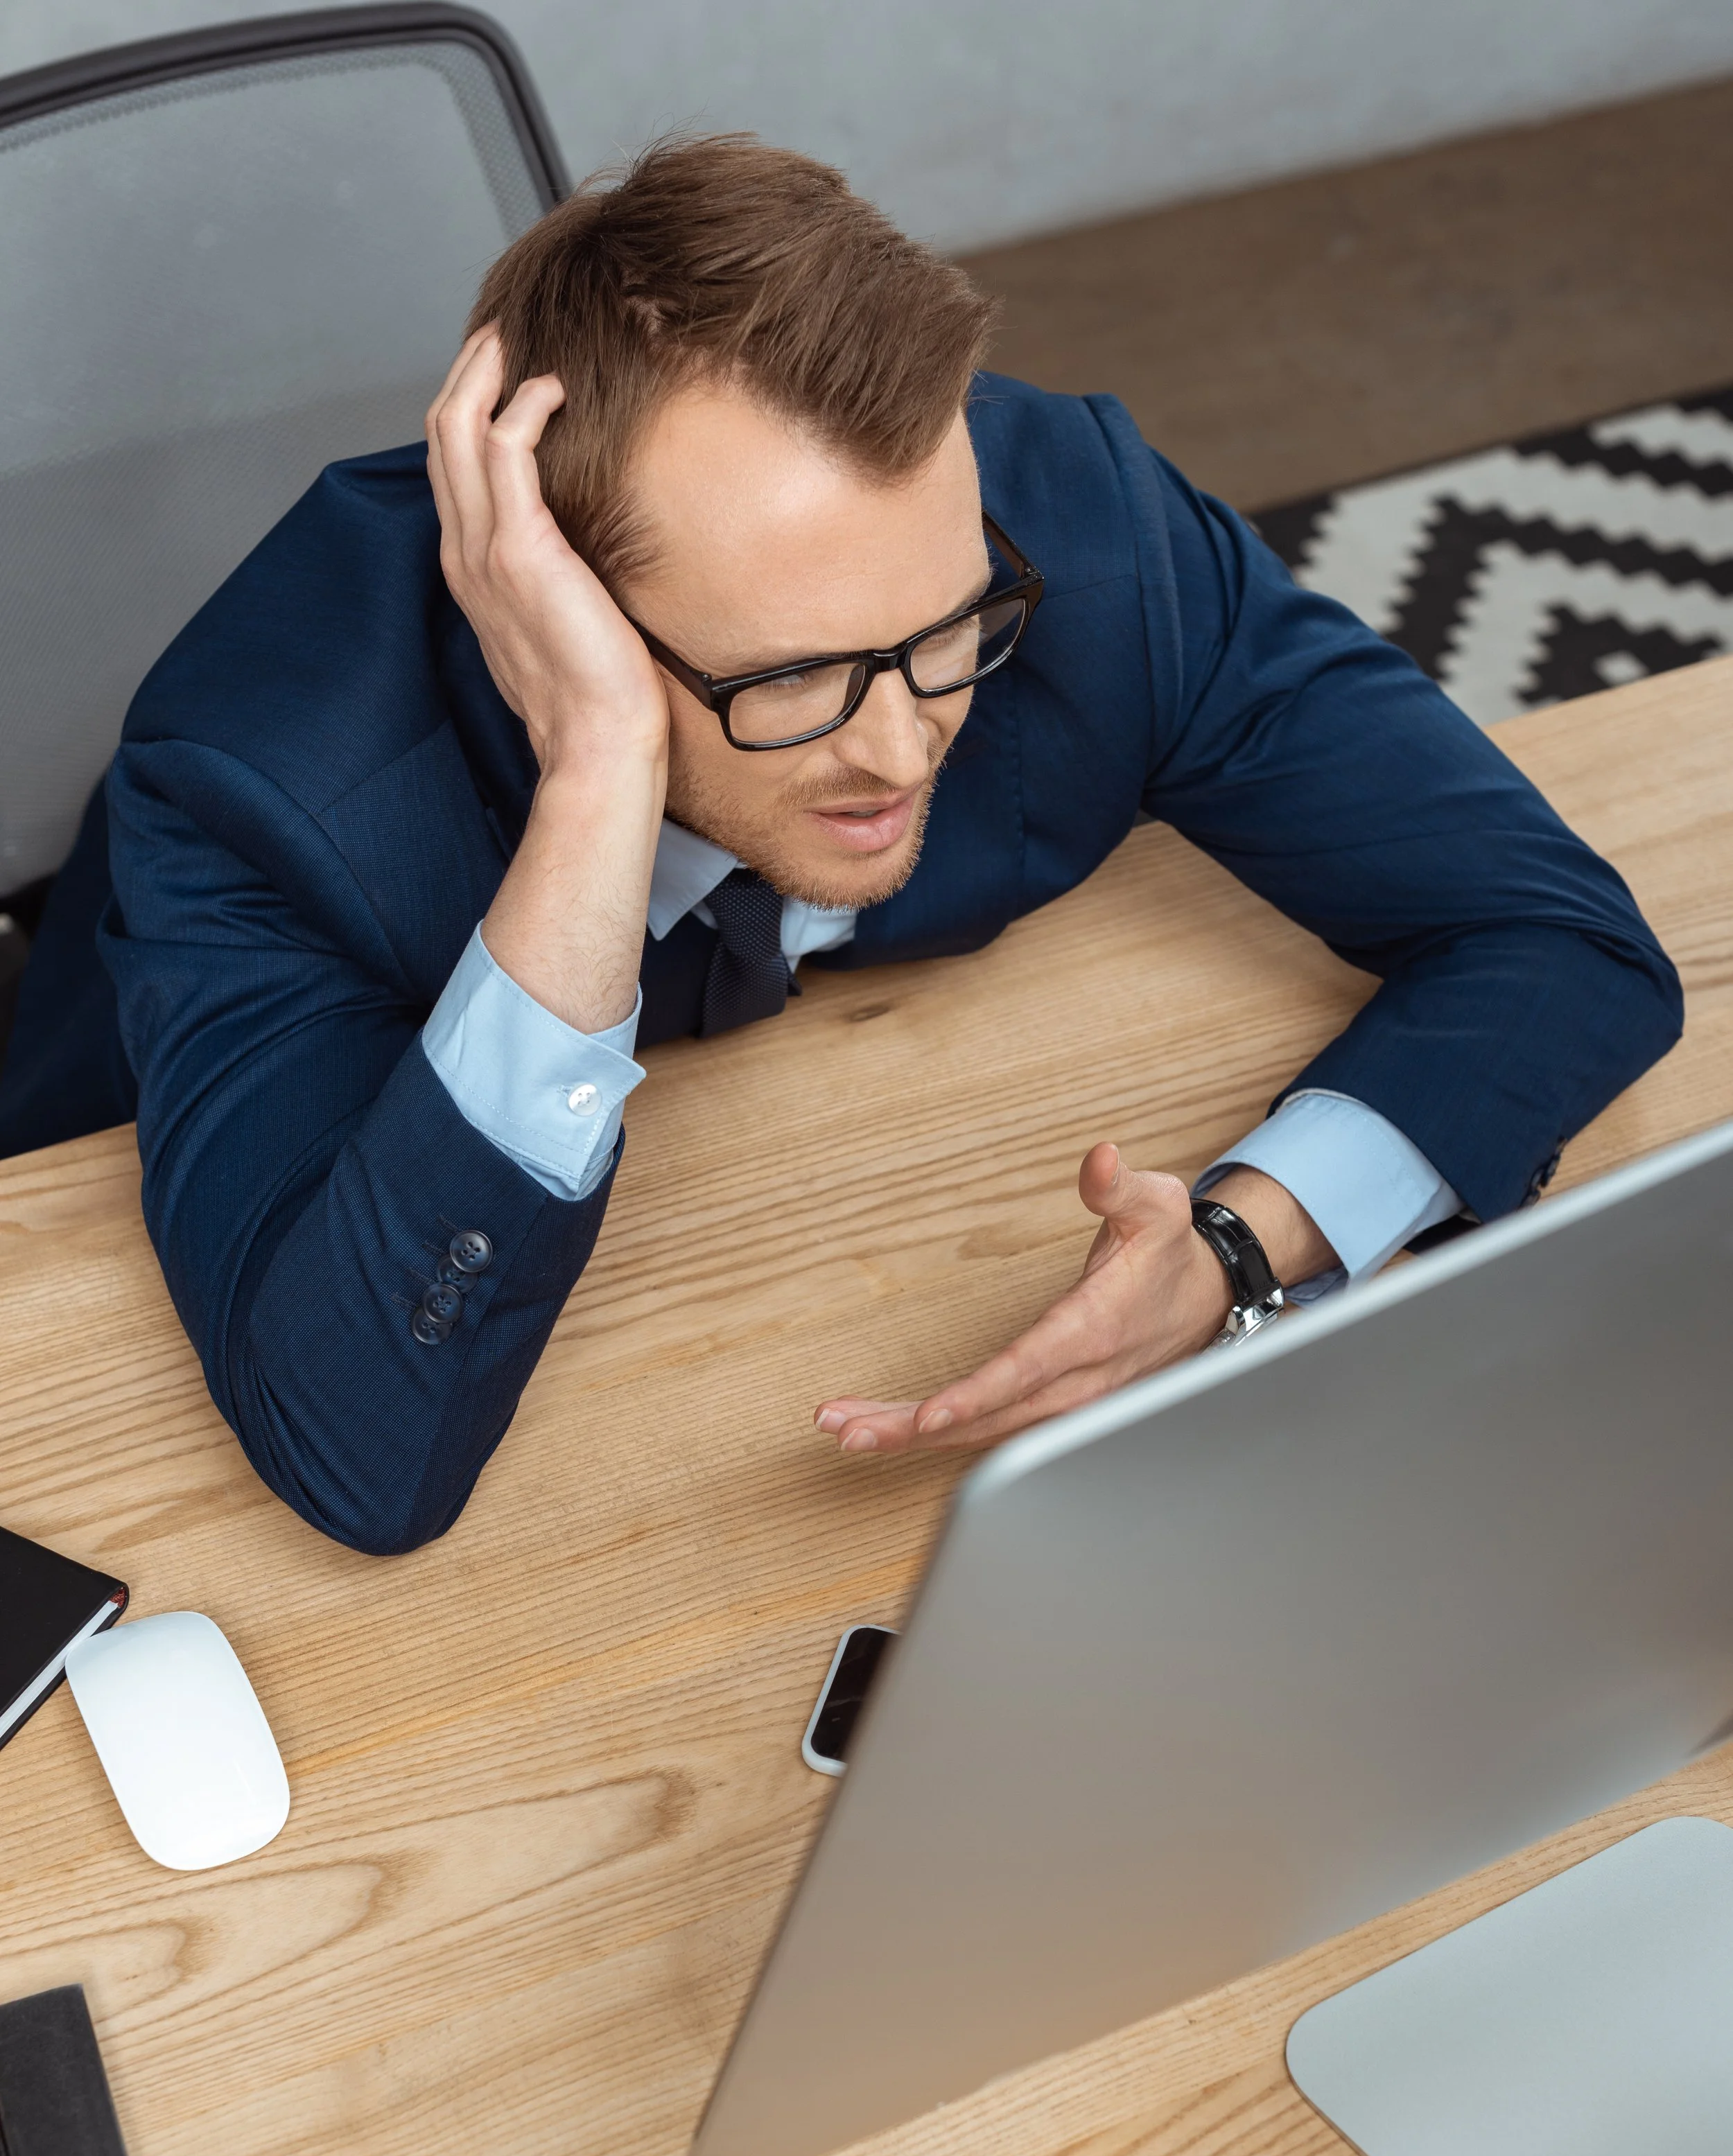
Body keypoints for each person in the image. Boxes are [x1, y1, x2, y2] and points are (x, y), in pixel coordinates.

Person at [0, 138, 1682, 1554]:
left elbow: (1563, 945)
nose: (900, 746)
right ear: (555, 608)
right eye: (789, 680)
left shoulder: (1080, 535)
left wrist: (1244, 1244)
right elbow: (359, 1445)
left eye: (947, 633)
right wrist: (599, 774)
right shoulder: (257, 782)